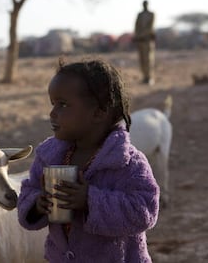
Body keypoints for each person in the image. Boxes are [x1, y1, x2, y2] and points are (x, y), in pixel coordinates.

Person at [17, 59, 160, 262]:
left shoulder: (129, 162)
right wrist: (38, 204)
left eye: (63, 105)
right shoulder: (48, 156)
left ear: (99, 112)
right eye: (52, 104)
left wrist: (90, 201)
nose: (52, 113)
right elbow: (28, 191)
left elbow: (144, 211)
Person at [134, 0, 156, 85]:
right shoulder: (139, 15)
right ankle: (144, 77)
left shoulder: (152, 14)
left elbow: (150, 27)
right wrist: (137, 36)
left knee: (148, 59)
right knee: (142, 59)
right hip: (140, 40)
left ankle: (149, 77)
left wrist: (143, 35)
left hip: (147, 40)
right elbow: (136, 25)